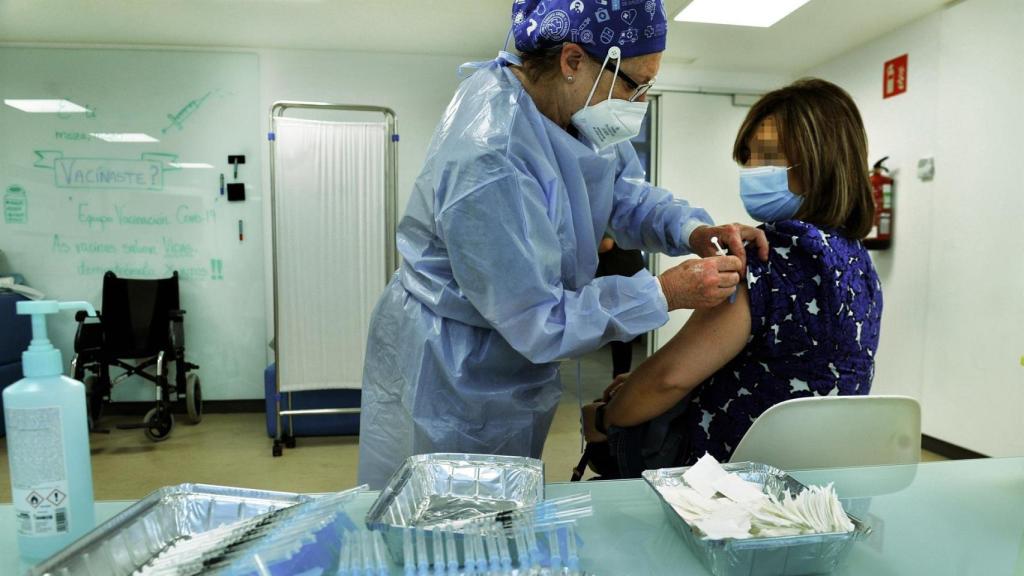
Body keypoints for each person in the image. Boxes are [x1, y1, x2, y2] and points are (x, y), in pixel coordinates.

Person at [357, 0, 769, 489]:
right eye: (635, 84)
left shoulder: (577, 115)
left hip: (510, 356)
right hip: (452, 365)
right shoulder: (488, 159)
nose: (638, 103)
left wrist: (689, 229)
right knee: (438, 515)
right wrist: (662, 294)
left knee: (502, 502)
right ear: (573, 60)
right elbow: (538, 319)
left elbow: (621, 193)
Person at [582, 78, 883, 478]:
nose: (753, 173)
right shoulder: (858, 261)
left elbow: (668, 380)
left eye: (770, 158)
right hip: (820, 484)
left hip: (728, 490)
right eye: (750, 159)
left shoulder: (767, 256)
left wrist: (602, 421)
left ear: (819, 161)